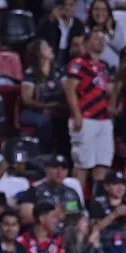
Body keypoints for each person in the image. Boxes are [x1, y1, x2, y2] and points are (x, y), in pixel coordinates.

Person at [63, 29, 114, 188]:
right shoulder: (78, 63)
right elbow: (69, 89)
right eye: (95, 38)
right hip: (85, 119)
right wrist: (77, 115)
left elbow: (110, 89)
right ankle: (72, 207)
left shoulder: (104, 66)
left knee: (102, 164)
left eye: (102, 38)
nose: (100, 41)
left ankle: (95, 207)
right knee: (82, 166)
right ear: (85, 43)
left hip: (103, 120)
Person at [20, 39, 68, 154]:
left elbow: (68, 92)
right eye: (46, 47)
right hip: (32, 112)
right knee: (45, 122)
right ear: (38, 53)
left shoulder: (59, 72)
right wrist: (46, 106)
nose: (51, 49)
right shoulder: (30, 74)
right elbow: (26, 100)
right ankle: (43, 154)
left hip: (55, 109)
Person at [16, 154, 83, 226]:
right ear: (47, 169)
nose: (59, 171)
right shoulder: (33, 191)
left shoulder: (72, 193)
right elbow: (26, 218)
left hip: (67, 233)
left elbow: (77, 216)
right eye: (55, 167)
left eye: (63, 168)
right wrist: (55, 214)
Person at [89, 169, 126, 253]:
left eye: (123, 184)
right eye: (115, 184)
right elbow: (94, 229)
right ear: (106, 186)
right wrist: (114, 215)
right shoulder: (98, 203)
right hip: (105, 242)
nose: (120, 187)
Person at [37, 0, 85, 67]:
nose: (67, 8)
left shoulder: (78, 24)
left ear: (76, 7)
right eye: (65, 4)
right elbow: (39, 37)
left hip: (69, 57)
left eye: (71, 5)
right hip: (51, 56)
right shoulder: (50, 20)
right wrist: (51, 20)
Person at [85, 0, 125, 70]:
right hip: (93, 68)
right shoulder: (86, 29)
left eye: (104, 10)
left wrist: (110, 29)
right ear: (91, 11)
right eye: (96, 9)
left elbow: (120, 45)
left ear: (108, 12)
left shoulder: (115, 27)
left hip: (114, 68)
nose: (100, 13)